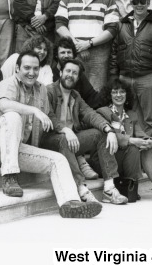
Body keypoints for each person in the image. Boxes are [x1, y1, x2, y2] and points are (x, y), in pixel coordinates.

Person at [0, 51, 101, 218]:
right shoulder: (8, 84)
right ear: (17, 68)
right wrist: (34, 110)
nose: (32, 72)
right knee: (13, 116)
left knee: (58, 159)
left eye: (35, 68)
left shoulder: (41, 89)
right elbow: (5, 105)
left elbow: (42, 123)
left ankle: (70, 204)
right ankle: (9, 177)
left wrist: (63, 131)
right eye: (27, 68)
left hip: (17, 148)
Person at [42, 59, 127, 205]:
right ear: (61, 72)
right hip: (49, 140)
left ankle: (109, 188)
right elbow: (48, 115)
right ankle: (81, 188)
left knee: (101, 134)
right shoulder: (49, 91)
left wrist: (109, 129)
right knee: (64, 139)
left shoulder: (75, 95)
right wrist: (65, 130)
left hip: (70, 140)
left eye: (75, 73)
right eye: (68, 71)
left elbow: (89, 114)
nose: (71, 75)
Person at [97, 78, 152, 203]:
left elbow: (141, 134)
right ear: (109, 95)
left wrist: (149, 141)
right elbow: (111, 137)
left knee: (144, 148)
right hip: (108, 161)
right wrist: (132, 140)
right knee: (134, 146)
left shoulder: (131, 114)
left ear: (127, 94)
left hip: (126, 160)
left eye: (122, 92)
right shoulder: (103, 112)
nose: (119, 95)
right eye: (115, 92)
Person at [110, 0, 152, 140]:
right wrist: (114, 79)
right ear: (131, 4)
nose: (139, 5)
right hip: (125, 78)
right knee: (127, 117)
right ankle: (133, 153)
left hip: (148, 77)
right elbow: (114, 52)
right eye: (136, 1)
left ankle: (146, 155)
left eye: (143, 1)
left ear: (148, 3)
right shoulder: (121, 25)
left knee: (150, 120)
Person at [55, 0, 119, 90]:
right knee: (73, 87)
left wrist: (88, 44)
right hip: (75, 51)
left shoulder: (108, 1)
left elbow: (112, 30)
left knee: (96, 89)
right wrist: (77, 44)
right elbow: (59, 25)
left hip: (99, 53)